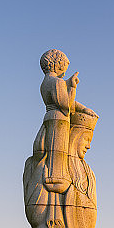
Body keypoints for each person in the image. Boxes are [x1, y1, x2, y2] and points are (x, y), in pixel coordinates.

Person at [34, 49, 96, 193]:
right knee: (59, 150)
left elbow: (62, 99)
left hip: (50, 117)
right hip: (59, 120)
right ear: (58, 65)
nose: (64, 72)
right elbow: (66, 104)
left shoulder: (46, 83)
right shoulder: (57, 82)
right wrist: (73, 86)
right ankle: (57, 176)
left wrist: (84, 108)